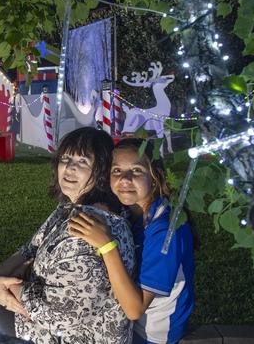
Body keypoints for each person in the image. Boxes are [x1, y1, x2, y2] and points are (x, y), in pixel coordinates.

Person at [0, 127, 135, 343]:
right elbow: (31, 247)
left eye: (83, 161)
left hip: (71, 336)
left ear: (101, 170)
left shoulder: (87, 228)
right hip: (41, 322)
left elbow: (62, 318)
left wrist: (12, 287)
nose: (70, 167)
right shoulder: (69, 208)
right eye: (65, 158)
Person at [68, 138, 196, 343]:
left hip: (150, 334)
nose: (125, 179)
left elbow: (135, 309)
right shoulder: (132, 212)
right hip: (118, 319)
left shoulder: (165, 232)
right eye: (116, 171)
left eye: (136, 171)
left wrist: (107, 246)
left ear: (154, 176)